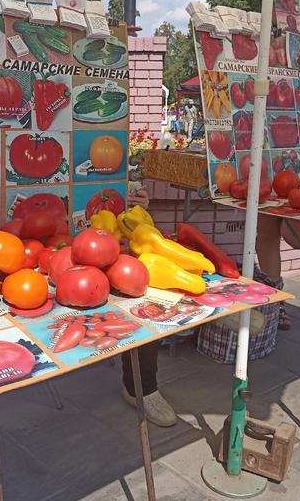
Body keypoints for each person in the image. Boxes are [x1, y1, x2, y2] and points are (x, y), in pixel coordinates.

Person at [120, 183, 177, 427]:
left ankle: (142, 388)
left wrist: (138, 203)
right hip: (60, 241)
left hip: (115, 243)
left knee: (148, 298)